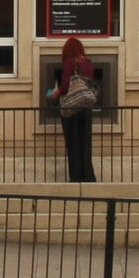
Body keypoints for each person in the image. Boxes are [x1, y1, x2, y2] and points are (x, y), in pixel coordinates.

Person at [48, 36, 98, 183]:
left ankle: (75, 178)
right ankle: (88, 176)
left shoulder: (71, 62)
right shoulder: (88, 64)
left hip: (72, 111)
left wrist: (54, 93)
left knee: (73, 144)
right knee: (85, 144)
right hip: (86, 108)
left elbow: (64, 86)